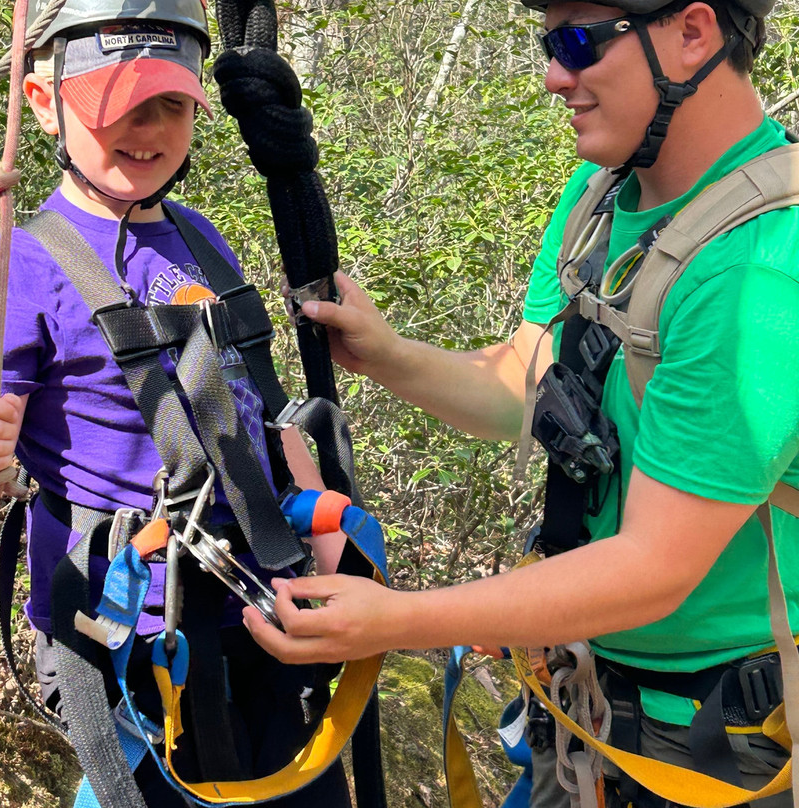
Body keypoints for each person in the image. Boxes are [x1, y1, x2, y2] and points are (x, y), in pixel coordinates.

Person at [244, 0, 799, 804]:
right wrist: (392, 356)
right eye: (547, 43)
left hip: (717, 745)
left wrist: (396, 619)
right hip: (582, 699)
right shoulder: (601, 198)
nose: (553, 76)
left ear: (693, 32)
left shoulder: (762, 272)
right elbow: (526, 382)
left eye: (578, 42)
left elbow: (654, 569)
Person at [0, 1, 352, 804]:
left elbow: (254, 405)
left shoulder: (199, 235)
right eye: (117, 105)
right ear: (44, 103)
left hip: (262, 607)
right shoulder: (15, 271)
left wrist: (323, 536)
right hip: (134, 632)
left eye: (171, 104)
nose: (147, 129)